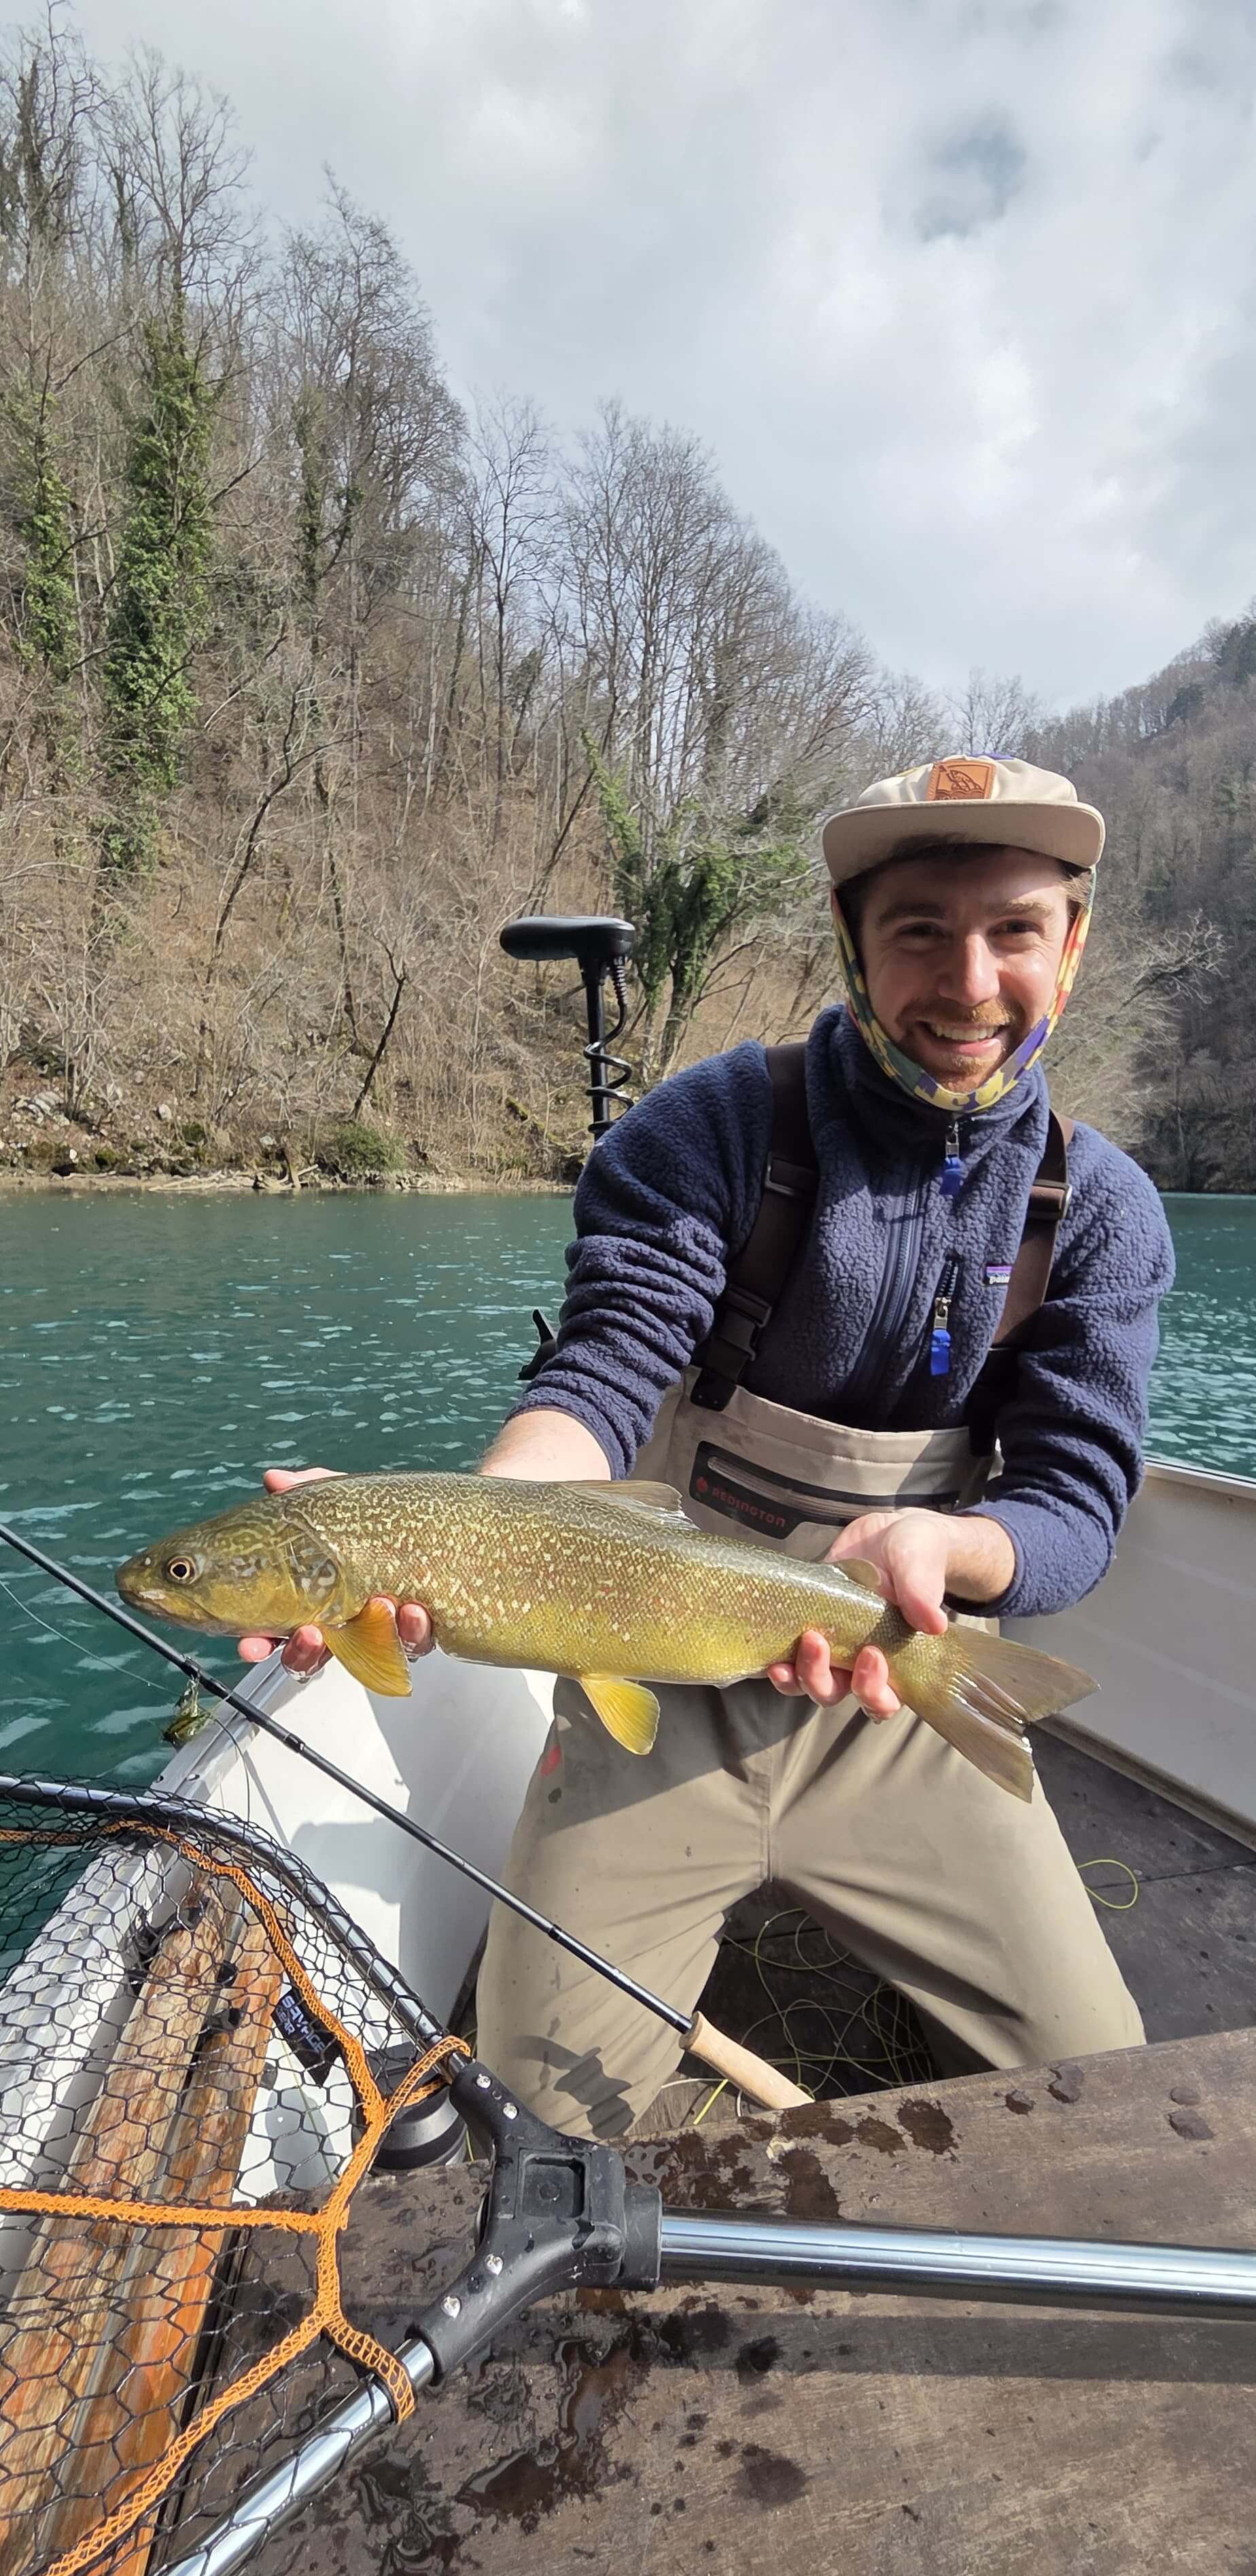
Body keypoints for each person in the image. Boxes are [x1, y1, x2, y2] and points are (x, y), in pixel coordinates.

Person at [243, 756, 1174, 2139]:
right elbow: (605, 1370)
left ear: (1072, 945)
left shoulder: (1098, 1213)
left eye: (1014, 929)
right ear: (854, 941)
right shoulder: (713, 1127)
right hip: (658, 1689)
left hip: (893, 1687)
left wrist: (952, 1548)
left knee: (1111, 2090)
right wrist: (437, 1525)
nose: (970, 980)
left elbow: (1073, 1501)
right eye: (920, 927)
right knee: (541, 2123)